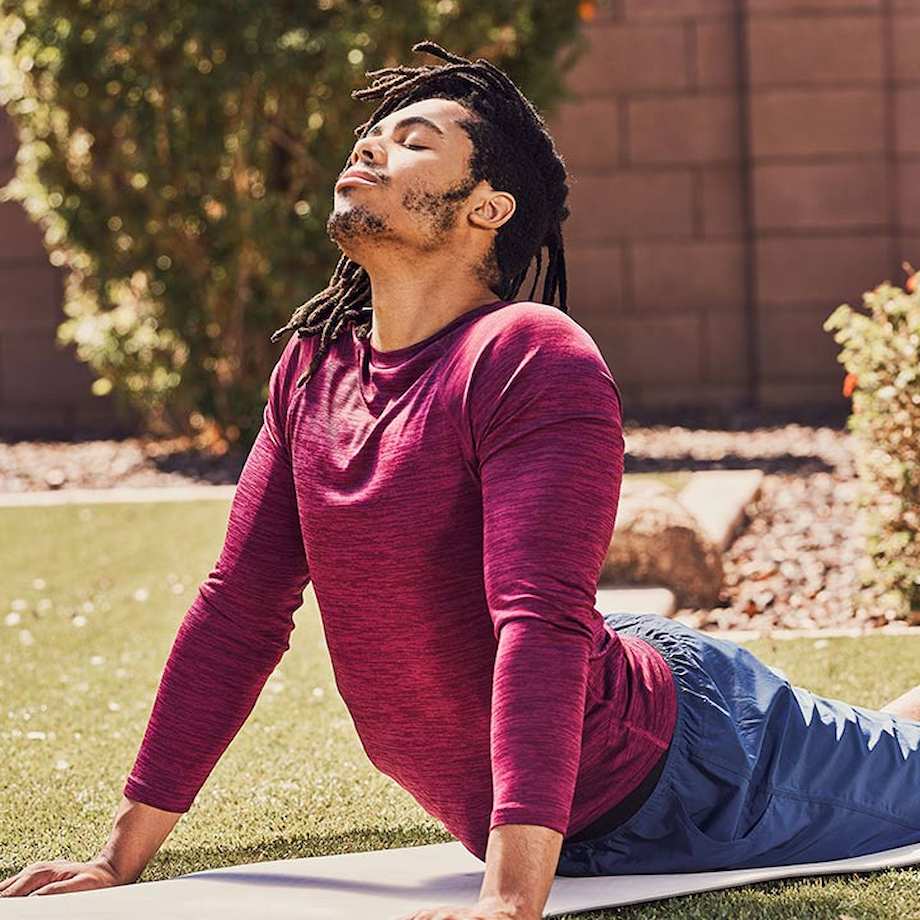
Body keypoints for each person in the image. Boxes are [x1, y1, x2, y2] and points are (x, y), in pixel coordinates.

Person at [2, 40, 918, 919]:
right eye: (376, 133)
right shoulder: (315, 370)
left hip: (688, 767)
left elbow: (539, 621)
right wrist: (117, 858)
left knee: (906, 771)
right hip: (585, 701)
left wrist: (511, 900)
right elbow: (240, 606)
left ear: (487, 207)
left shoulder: (527, 354)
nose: (371, 143)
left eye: (415, 141)